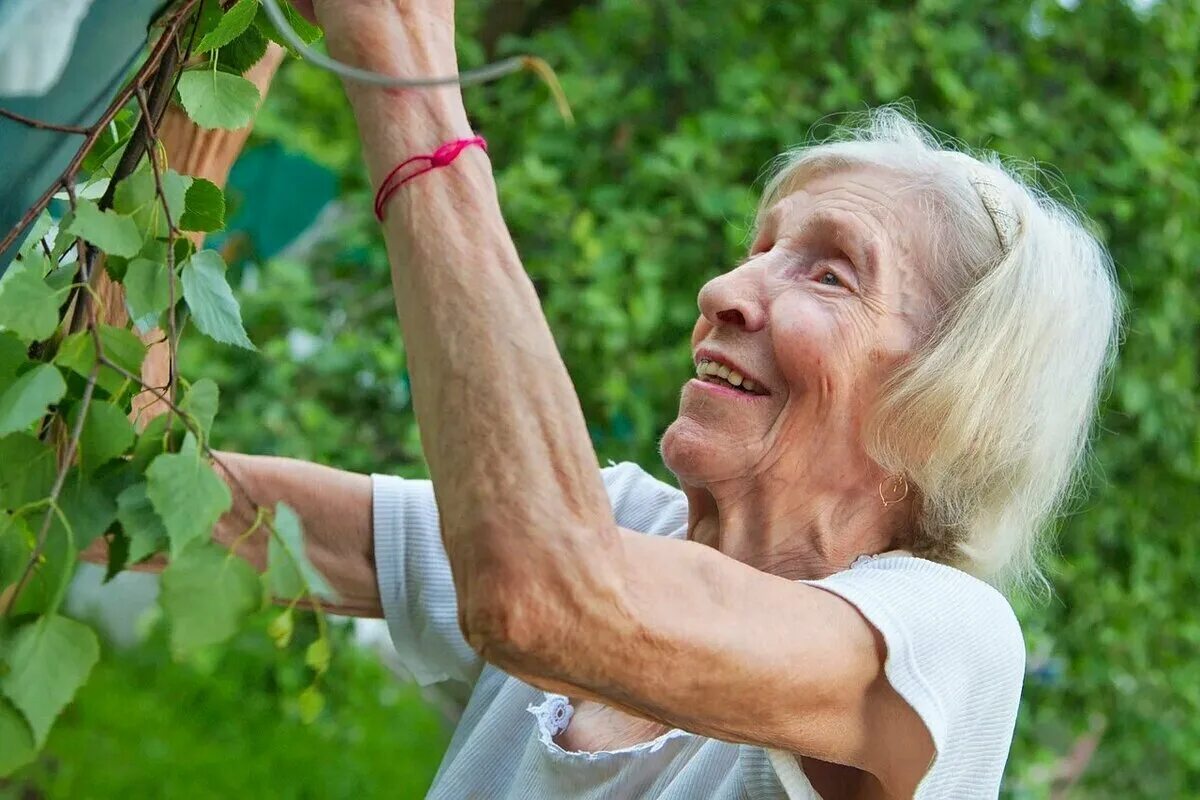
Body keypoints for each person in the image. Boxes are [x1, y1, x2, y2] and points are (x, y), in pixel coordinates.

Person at [188, 1, 1122, 797]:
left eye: (830, 274)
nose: (725, 288)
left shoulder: (947, 645)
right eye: (759, 247)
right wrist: (235, 45)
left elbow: (542, 596)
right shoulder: (623, 522)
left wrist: (402, 55)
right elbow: (157, 492)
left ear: (951, 399)